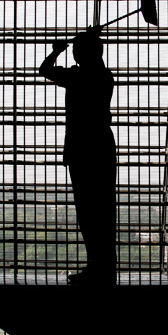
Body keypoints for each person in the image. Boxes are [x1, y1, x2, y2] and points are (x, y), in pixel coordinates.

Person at [39, 25, 117, 285]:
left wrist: (56, 51)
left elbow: (44, 70)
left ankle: (96, 265)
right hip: (102, 146)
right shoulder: (103, 76)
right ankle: (104, 267)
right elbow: (96, 63)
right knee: (103, 210)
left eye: (76, 50)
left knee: (87, 210)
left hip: (81, 148)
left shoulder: (77, 76)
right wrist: (90, 40)